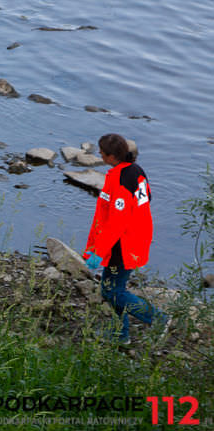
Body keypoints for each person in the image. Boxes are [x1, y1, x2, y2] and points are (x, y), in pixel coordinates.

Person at [83, 133, 169, 345]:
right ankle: (121, 335)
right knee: (115, 288)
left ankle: (158, 319)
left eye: (102, 153)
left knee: (111, 291)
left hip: (122, 245)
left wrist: (99, 252)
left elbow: (116, 224)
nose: (100, 156)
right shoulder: (136, 171)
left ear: (111, 156)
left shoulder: (118, 179)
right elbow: (146, 199)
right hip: (137, 237)